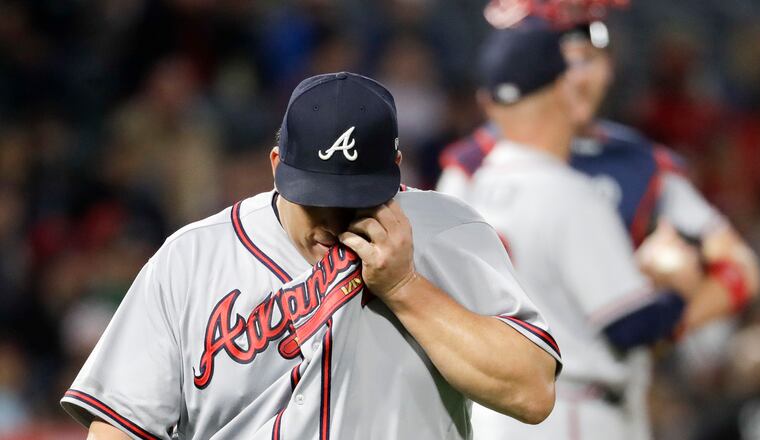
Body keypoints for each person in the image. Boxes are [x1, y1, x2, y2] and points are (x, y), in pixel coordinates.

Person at [60, 72, 561, 439]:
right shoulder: (192, 259)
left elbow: (532, 393)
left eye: (356, 199)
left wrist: (407, 289)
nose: (332, 220)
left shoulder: (451, 233)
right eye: (315, 198)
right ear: (277, 165)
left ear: (396, 171)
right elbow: (120, 428)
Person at [456, 20, 748, 439]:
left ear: (490, 103)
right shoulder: (571, 194)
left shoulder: (472, 183)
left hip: (487, 411)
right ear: (561, 90)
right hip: (569, 410)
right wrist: (678, 286)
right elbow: (631, 325)